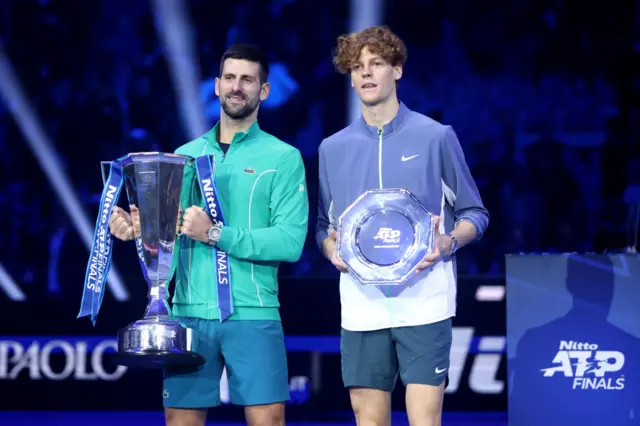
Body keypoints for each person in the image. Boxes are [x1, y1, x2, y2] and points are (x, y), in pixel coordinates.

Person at [109, 43, 309, 426]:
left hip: (253, 313)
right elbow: (166, 230)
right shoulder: (183, 155)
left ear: (264, 90)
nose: (237, 87)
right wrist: (138, 228)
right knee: (180, 421)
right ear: (216, 86)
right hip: (188, 313)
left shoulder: (284, 158)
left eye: (247, 80)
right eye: (230, 78)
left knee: (268, 420)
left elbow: (290, 242)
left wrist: (216, 233)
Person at [315, 26, 489, 426]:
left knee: (424, 419)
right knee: (369, 420)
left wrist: (447, 243)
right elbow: (325, 225)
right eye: (357, 67)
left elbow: (475, 214)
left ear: (397, 70)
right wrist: (330, 248)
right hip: (361, 306)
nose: (366, 73)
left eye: (376, 63)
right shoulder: (332, 149)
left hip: (425, 301)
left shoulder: (435, 137)